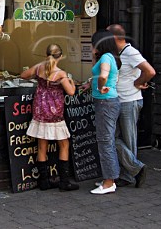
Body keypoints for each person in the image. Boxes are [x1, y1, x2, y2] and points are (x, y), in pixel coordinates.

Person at [20, 44, 79, 191]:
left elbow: (23, 75)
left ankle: (44, 181)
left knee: (41, 146)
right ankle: (64, 181)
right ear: (61, 56)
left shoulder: (39, 67)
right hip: (54, 112)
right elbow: (71, 92)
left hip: (40, 110)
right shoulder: (60, 73)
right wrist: (71, 82)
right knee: (64, 144)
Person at [107, 24, 156, 188]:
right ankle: (135, 169)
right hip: (117, 100)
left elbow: (150, 71)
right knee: (112, 137)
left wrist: (138, 82)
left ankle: (129, 174)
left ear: (114, 37)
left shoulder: (131, 52)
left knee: (129, 139)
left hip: (129, 100)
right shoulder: (117, 53)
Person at [88, 30, 122, 194]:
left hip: (106, 102)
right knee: (106, 140)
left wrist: (100, 86)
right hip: (107, 102)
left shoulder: (106, 57)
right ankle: (109, 178)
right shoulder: (108, 56)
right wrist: (91, 84)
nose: (91, 45)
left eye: (93, 42)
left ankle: (109, 183)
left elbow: (103, 75)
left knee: (105, 141)